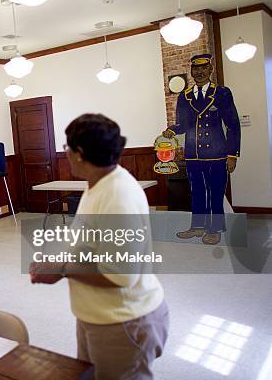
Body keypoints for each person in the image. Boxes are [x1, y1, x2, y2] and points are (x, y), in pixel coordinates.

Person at [30, 114, 169, 380]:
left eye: (66, 148)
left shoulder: (118, 196)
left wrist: (60, 269)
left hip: (123, 322)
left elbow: (119, 274)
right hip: (98, 316)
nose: (66, 153)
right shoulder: (98, 184)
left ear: (79, 153)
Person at [162, 54, 241, 245]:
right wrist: (172, 130)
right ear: (191, 71)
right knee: (196, 190)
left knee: (215, 191)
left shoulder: (222, 93)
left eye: (203, 68)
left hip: (217, 153)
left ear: (210, 70)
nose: (199, 72)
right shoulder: (185, 96)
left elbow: (232, 124)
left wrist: (232, 154)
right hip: (193, 153)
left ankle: (215, 229)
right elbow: (182, 124)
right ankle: (197, 227)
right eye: (196, 69)